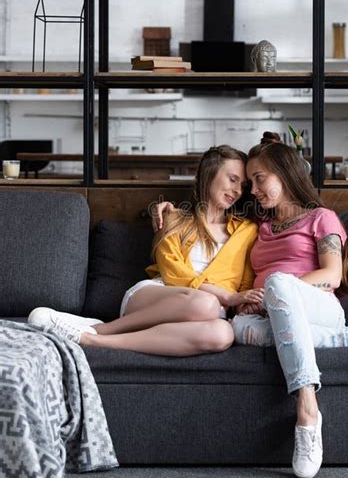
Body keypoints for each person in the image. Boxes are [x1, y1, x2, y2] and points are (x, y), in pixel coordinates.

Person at [153, 132, 348, 478]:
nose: (252, 190)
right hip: (266, 317)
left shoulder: (321, 218)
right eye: (249, 181)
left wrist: (277, 292)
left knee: (278, 281)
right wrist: (162, 207)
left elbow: (331, 275)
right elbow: (208, 210)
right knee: (236, 329)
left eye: (259, 179)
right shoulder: (260, 226)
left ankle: (307, 410)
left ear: (284, 173)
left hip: (318, 307)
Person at [28, 145, 261, 357]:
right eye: (232, 179)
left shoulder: (247, 230)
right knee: (207, 303)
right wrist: (227, 296)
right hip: (157, 297)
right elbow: (173, 274)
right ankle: (103, 328)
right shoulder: (174, 218)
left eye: (243, 185)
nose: (237, 190)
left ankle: (93, 340)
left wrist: (243, 303)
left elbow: (244, 285)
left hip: (210, 314)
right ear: (209, 173)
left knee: (223, 334)